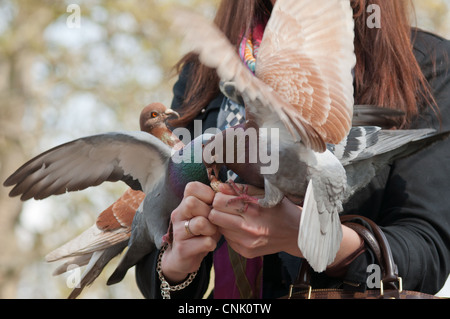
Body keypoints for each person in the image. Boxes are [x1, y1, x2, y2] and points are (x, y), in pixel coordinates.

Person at [135, 0, 450, 298]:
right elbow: (156, 252)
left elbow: (428, 255)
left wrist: (315, 240)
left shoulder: (427, 63)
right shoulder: (201, 72)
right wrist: (177, 261)